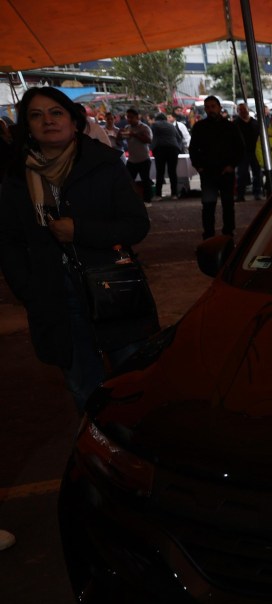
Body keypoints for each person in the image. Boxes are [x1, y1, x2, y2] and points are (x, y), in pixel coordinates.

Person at [0, 86, 155, 414]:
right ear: (27, 126)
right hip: (54, 295)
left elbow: (135, 225)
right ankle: (99, 451)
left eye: (56, 112)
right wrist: (28, 289)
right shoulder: (16, 178)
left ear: (74, 120)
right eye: (36, 115)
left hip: (112, 288)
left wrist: (80, 231)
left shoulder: (104, 164)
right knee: (84, 386)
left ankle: (131, 451)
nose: (48, 121)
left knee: (133, 382)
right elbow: (8, 240)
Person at [189, 95, 245, 239]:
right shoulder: (200, 127)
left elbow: (239, 148)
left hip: (226, 172)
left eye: (213, 106)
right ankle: (208, 234)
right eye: (207, 107)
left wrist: (232, 165)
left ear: (220, 108)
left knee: (228, 204)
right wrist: (199, 166)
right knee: (208, 205)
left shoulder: (230, 126)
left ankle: (228, 232)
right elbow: (193, 149)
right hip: (207, 173)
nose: (210, 109)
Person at [121, 108, 153, 206]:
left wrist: (134, 134)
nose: (129, 119)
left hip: (143, 158)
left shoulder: (144, 127)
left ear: (137, 117)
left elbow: (148, 140)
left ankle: (147, 200)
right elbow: (121, 140)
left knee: (145, 180)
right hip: (132, 160)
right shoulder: (127, 127)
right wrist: (120, 134)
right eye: (128, 117)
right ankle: (130, 200)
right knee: (128, 180)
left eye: (131, 117)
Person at [233, 102, 263, 201]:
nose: (243, 111)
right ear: (237, 111)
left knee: (257, 173)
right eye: (240, 110)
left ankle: (257, 193)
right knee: (241, 174)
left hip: (255, 152)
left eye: (244, 109)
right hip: (242, 153)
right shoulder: (235, 124)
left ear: (248, 109)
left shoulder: (256, 123)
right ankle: (240, 195)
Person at [149, 112, 180, 200]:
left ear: (157, 119)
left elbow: (150, 136)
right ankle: (174, 194)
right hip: (173, 149)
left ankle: (158, 195)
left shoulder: (155, 125)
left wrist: (151, 147)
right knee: (172, 172)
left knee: (160, 172)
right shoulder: (171, 126)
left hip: (160, 149)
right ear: (165, 119)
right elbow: (178, 137)